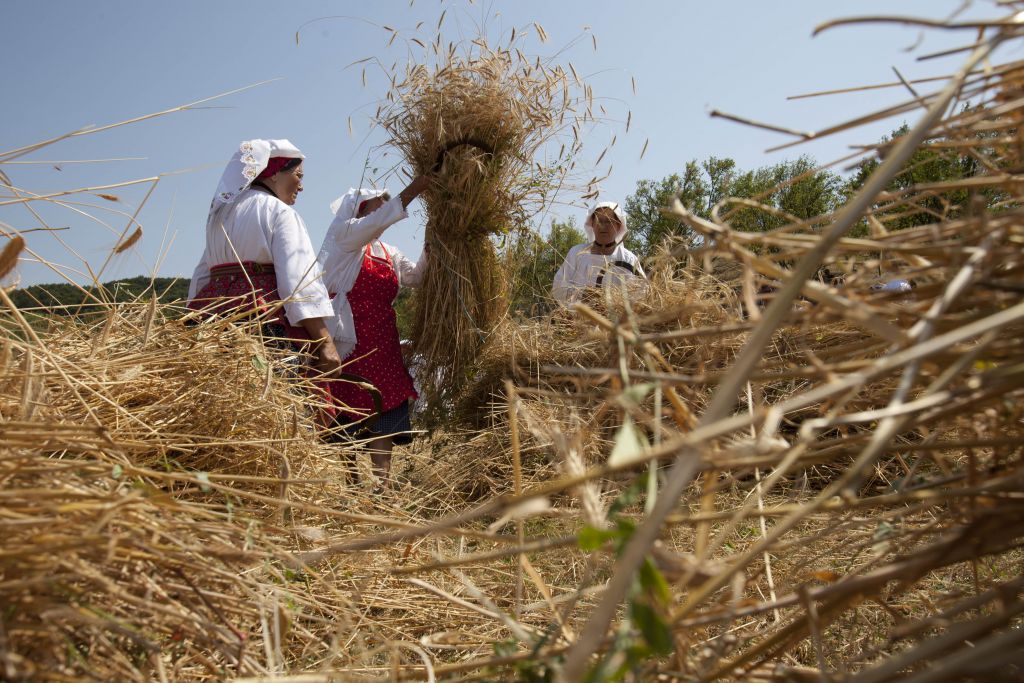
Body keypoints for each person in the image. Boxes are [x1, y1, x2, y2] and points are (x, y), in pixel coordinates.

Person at [187, 138, 341, 376]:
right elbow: (298, 281)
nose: (301, 186)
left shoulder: (219, 216)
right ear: (274, 173)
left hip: (213, 320)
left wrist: (192, 322)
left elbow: (200, 276)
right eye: (298, 175)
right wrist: (325, 342)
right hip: (263, 322)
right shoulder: (279, 212)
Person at [319, 175, 431, 491]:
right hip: (350, 340)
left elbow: (416, 277)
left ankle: (382, 486)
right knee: (347, 407)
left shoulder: (386, 251)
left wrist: (431, 244)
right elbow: (380, 221)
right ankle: (351, 482)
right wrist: (415, 188)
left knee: (385, 407)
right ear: (360, 209)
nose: (382, 211)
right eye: (376, 206)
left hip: (383, 340)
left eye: (384, 205)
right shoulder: (344, 237)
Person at [551, 201, 646, 304]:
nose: (603, 226)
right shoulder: (577, 253)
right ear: (592, 224)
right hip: (578, 318)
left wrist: (613, 301)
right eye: (599, 221)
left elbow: (642, 293)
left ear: (618, 225)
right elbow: (558, 287)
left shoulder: (628, 259)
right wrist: (582, 295)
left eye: (609, 221)